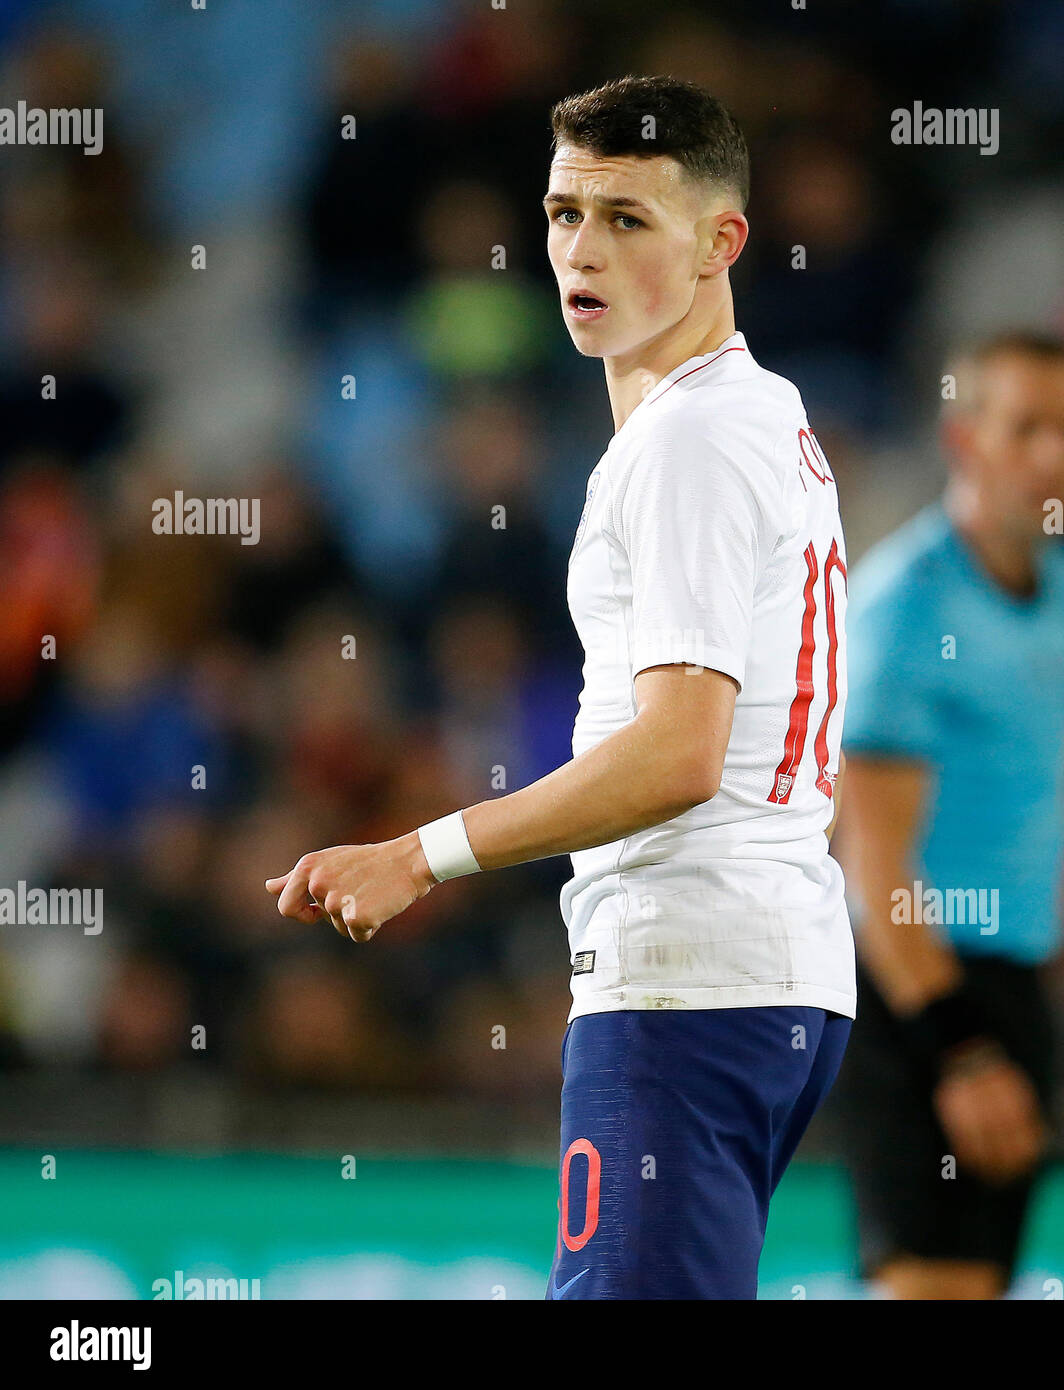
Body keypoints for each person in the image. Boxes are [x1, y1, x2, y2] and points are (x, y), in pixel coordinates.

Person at [265, 75, 855, 1300]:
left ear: (719, 242)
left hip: (689, 978)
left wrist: (417, 854)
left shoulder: (689, 441)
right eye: (561, 212)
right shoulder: (758, 415)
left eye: (627, 218)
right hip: (760, 971)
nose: (580, 250)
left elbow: (680, 751)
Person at [832, 331, 1064, 1299]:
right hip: (919, 998)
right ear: (963, 439)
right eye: (1026, 427)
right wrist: (962, 1047)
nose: (1055, 455)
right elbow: (873, 862)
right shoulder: (905, 605)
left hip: (1015, 984)